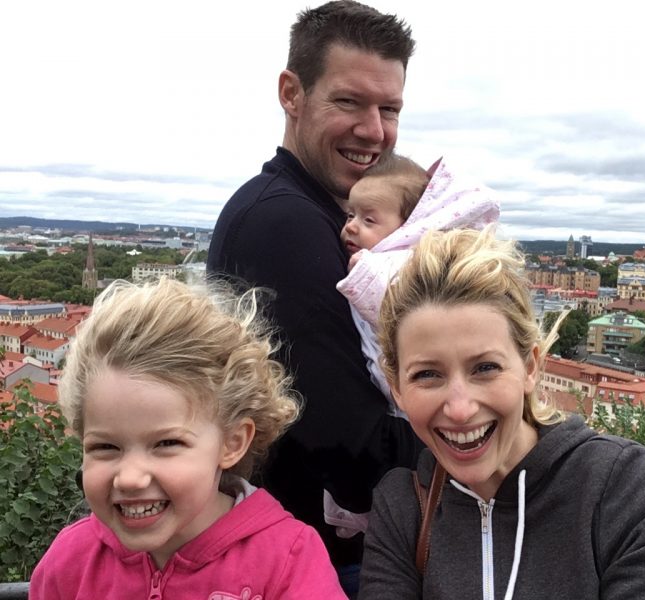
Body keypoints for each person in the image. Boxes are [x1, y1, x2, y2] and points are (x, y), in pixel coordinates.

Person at [359, 228, 645, 599]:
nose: (460, 410)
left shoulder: (628, 492)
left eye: (485, 368)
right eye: (427, 375)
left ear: (530, 367)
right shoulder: (403, 509)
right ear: (396, 387)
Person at [206, 1, 422, 587]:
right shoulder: (284, 225)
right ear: (291, 93)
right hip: (320, 565)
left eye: (390, 109)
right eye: (349, 102)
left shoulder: (327, 219)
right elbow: (352, 451)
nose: (374, 131)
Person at [29, 278, 346, 599]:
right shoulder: (71, 563)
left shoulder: (287, 562)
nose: (130, 478)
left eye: (166, 444)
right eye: (105, 447)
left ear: (232, 442)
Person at [337, 153, 499, 408]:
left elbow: (398, 310)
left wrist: (366, 273)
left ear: (408, 227)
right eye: (350, 215)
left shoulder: (408, 263)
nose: (352, 227)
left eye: (368, 219)